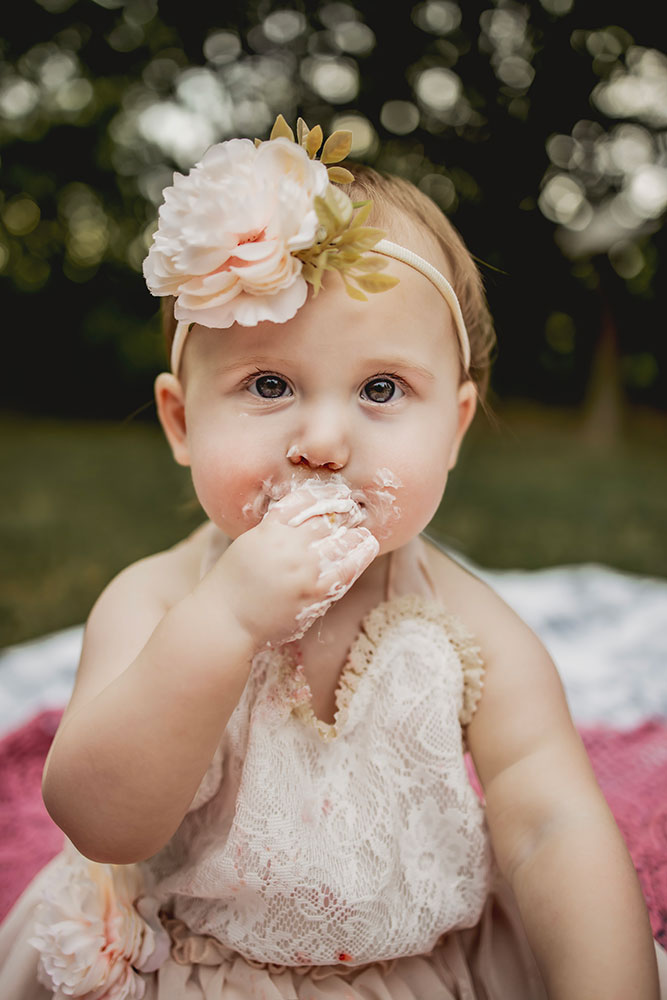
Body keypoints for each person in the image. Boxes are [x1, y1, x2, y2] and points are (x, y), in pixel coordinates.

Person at [0, 114, 665, 1000]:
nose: (321, 439)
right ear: (181, 422)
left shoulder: (469, 627)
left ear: (455, 427)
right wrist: (226, 622)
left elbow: (549, 825)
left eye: (381, 389)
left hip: (419, 970)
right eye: (268, 385)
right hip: (198, 967)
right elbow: (98, 818)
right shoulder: (156, 601)